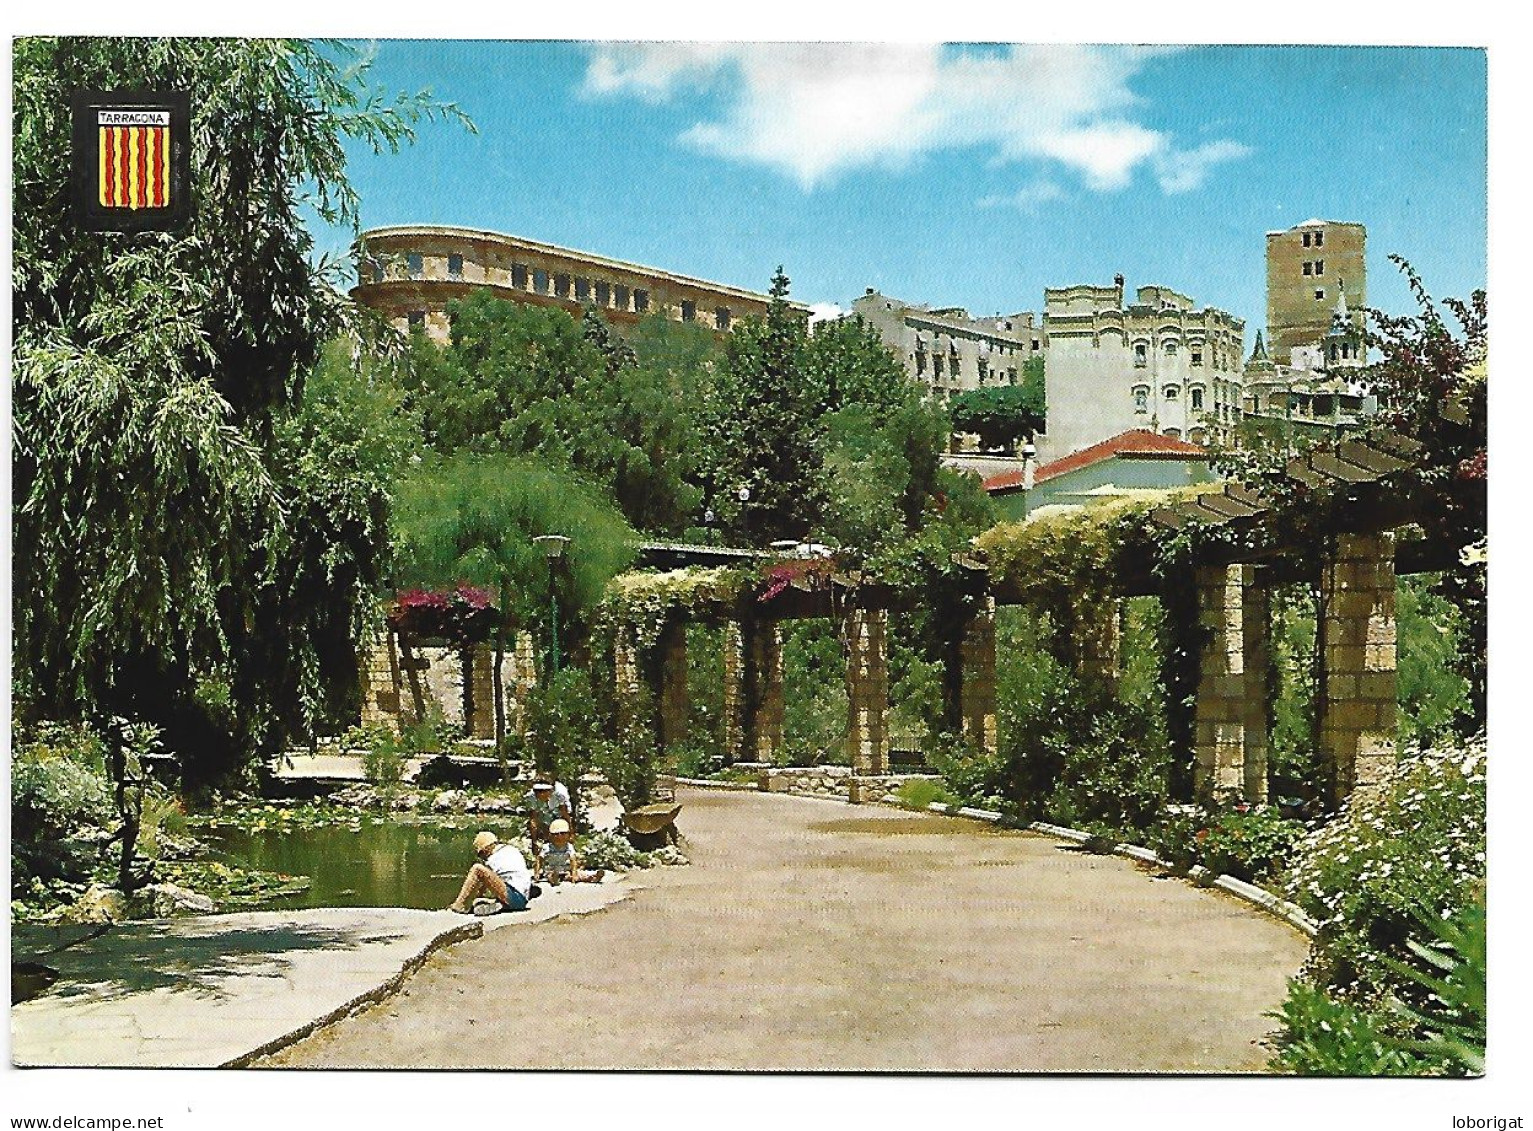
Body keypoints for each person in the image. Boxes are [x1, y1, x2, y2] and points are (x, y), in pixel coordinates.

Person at [447, 830, 532, 915]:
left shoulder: (494, 858)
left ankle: (459, 904)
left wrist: (473, 898)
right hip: (522, 897)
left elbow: (483, 884)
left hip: (515, 896)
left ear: (485, 849)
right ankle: (501, 905)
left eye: (480, 854)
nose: (482, 857)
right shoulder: (510, 849)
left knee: (477, 868)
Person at [536, 819, 605, 885]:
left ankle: (594, 876)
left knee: (579, 874)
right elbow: (539, 859)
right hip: (552, 869)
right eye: (556, 834)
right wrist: (537, 872)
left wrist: (574, 873)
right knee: (550, 874)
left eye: (563, 834)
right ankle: (554, 879)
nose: (559, 837)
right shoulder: (547, 847)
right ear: (550, 836)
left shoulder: (569, 847)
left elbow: (573, 860)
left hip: (566, 871)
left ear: (568, 835)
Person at [524, 779, 572, 855]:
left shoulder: (559, 795)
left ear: (551, 790)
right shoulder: (531, 797)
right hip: (543, 818)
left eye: (544, 791)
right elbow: (533, 819)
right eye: (538, 791)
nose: (541, 794)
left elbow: (565, 814)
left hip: (557, 818)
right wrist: (534, 842)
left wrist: (570, 833)